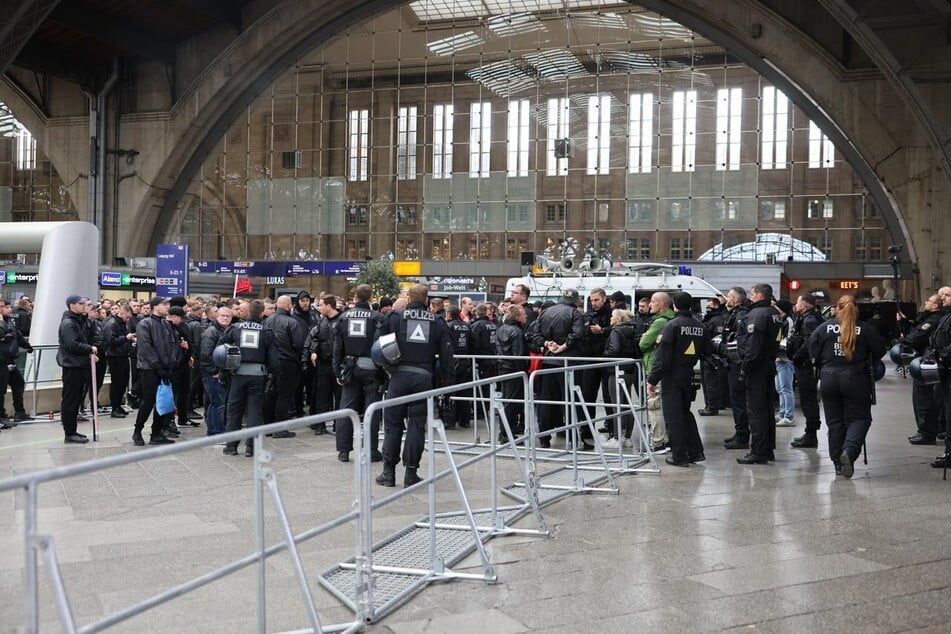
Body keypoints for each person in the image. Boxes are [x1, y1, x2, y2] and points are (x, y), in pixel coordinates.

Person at [376, 284, 454, 487]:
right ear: (427, 301)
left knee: (392, 424)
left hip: (398, 376)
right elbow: (447, 353)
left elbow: (379, 345)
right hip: (424, 378)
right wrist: (444, 379)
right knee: (417, 425)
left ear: (409, 299)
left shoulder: (394, 317)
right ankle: (411, 473)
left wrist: (387, 371)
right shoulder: (437, 321)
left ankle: (388, 473)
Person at [807, 295, 886, 477]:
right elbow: (879, 351)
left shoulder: (824, 327)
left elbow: (812, 348)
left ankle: (837, 464)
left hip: (828, 378)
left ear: (837, 308)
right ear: (856, 308)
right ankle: (849, 452)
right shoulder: (865, 329)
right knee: (860, 418)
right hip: (855, 378)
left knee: (834, 422)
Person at [646, 292, 706, 466]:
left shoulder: (671, 326)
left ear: (675, 306)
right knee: (686, 414)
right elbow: (707, 349)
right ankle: (695, 452)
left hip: (672, 375)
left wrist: (652, 379)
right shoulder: (699, 326)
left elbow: (662, 356)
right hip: (688, 374)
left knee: (673, 417)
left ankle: (679, 456)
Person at [527, 288, 585, 449]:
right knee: (571, 401)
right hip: (569, 362)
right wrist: (563, 346)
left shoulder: (546, 313)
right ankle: (573, 439)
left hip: (548, 362)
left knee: (546, 401)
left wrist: (547, 344)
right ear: (575, 300)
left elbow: (534, 334)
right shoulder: (574, 314)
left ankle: (544, 437)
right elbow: (578, 334)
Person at [333, 285, 385, 463]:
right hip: (371, 367)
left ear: (355, 297)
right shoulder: (377, 317)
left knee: (347, 408)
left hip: (349, 367)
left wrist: (337, 370)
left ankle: (343, 450)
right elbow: (381, 345)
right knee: (372, 409)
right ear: (370, 298)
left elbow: (337, 347)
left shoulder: (343, 317)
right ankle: (370, 450)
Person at [735, 284, 783, 465]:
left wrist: (744, 369)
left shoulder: (757, 314)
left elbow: (752, 347)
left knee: (755, 412)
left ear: (760, 295)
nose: (751, 296)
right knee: (767, 410)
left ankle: (757, 452)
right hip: (769, 364)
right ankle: (767, 448)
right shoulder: (774, 313)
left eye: (752, 293)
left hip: (757, 368)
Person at [221, 299, 271, 456]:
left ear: (249, 311)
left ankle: (231, 446)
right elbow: (273, 356)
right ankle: (251, 447)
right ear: (262, 312)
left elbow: (222, 349)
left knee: (234, 410)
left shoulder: (235, 328)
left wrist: (223, 370)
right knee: (254, 412)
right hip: (258, 375)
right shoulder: (266, 331)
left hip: (238, 374)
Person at [133, 296, 181, 446]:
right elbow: (146, 348)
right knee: (148, 401)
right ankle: (137, 431)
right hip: (149, 369)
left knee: (163, 401)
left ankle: (157, 432)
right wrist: (158, 366)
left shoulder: (166, 324)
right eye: (164, 304)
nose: (167, 306)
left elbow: (173, 345)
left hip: (166, 368)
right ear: (154, 306)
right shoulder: (145, 324)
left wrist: (171, 364)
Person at [900, 293, 944, 444]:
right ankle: (932, 430)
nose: (926, 302)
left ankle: (926, 432)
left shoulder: (934, 319)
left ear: (935, 306)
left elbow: (917, 337)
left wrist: (903, 341)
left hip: (928, 363)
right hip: (927, 361)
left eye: (929, 301)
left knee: (924, 399)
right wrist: (905, 323)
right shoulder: (929, 317)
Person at [262, 295, 303, 439]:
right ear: (287, 305)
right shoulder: (292, 322)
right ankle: (280, 428)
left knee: (270, 394)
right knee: (284, 395)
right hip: (288, 362)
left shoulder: (267, 321)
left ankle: (267, 427)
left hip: (270, 362)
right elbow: (298, 344)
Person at [639, 292, 675, 453]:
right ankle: (665, 440)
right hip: (669, 370)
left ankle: (659, 442)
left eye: (652, 302)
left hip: (655, 368)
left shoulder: (659, 322)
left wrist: (644, 336)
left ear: (661, 305)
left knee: (655, 406)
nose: (650, 305)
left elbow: (644, 343)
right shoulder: (672, 320)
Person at [57, 294, 95, 443]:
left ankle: (72, 430)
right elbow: (72, 344)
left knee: (75, 399)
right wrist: (90, 349)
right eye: (81, 304)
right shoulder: (68, 323)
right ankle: (69, 432)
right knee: (70, 400)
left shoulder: (77, 321)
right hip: (72, 365)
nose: (84, 306)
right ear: (72, 305)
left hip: (78, 364)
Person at [788, 294, 824, 448]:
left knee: (808, 399)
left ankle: (811, 434)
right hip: (804, 364)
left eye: (797, 302)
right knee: (807, 398)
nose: (796, 305)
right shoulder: (807, 318)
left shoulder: (809, 320)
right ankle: (810, 432)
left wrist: (797, 355)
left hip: (806, 365)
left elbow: (809, 341)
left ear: (803, 305)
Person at [602, 308, 637, 449]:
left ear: (617, 319)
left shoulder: (616, 331)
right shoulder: (632, 331)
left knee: (616, 404)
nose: (610, 319)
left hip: (616, 370)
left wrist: (605, 355)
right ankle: (627, 437)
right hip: (630, 370)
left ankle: (617, 438)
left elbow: (614, 349)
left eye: (612, 317)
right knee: (627, 403)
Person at [306, 295, 341, 435]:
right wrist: (313, 350)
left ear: (328, 305)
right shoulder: (322, 321)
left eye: (321, 305)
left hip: (337, 364)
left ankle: (339, 425)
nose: (319, 308)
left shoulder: (342, 320)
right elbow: (316, 337)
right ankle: (320, 425)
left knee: (339, 396)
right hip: (323, 364)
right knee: (321, 396)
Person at [721, 287, 751, 450]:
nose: (727, 299)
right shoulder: (736, 314)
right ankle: (740, 432)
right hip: (734, 363)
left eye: (730, 297)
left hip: (736, 363)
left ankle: (742, 436)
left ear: (737, 300)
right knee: (736, 400)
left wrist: (722, 349)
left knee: (738, 401)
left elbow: (736, 342)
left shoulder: (740, 315)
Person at [494, 304, 529, 440]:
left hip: (503, 368)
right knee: (512, 402)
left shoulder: (501, 329)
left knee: (506, 400)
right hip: (514, 370)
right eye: (524, 314)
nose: (526, 316)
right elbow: (519, 354)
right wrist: (523, 372)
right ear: (518, 317)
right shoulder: (517, 332)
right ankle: (506, 433)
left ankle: (506, 430)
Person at [199, 304, 232, 436]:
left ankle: (215, 430)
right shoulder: (211, 332)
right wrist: (214, 372)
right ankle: (216, 432)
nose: (225, 318)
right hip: (212, 373)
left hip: (221, 372)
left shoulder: (226, 330)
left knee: (217, 402)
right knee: (218, 403)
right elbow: (205, 354)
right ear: (216, 316)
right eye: (223, 316)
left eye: (228, 316)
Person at [928, 287, 951, 468]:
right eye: (942, 295)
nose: (943, 298)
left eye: (947, 295)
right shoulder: (945, 317)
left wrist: (944, 356)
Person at [99, 304, 135, 418]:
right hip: (114, 356)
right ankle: (115, 407)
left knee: (123, 382)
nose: (128, 319)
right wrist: (126, 338)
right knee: (117, 383)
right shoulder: (112, 324)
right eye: (127, 317)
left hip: (123, 355)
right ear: (122, 313)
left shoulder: (124, 324)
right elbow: (111, 340)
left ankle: (119, 405)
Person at [443, 305, 473, 430]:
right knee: (464, 391)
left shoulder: (448, 326)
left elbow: (446, 344)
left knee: (449, 391)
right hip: (465, 361)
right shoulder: (466, 326)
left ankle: (450, 420)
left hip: (452, 361)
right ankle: (465, 420)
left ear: (449, 314)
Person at [698, 296, 728, 416]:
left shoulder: (718, 319)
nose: (707, 307)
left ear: (716, 305)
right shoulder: (709, 318)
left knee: (711, 382)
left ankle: (712, 406)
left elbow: (718, 338)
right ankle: (709, 405)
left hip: (712, 356)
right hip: (705, 354)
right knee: (706, 382)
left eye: (710, 305)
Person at [292, 290, 319, 417]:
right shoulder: (294, 316)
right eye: (302, 301)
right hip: (299, 353)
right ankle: (298, 409)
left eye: (307, 300)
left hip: (312, 352)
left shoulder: (314, 314)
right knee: (298, 384)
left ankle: (312, 406)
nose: (305, 303)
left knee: (313, 383)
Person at [774, 299, 796, 427]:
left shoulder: (788, 321)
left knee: (786, 388)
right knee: (780, 388)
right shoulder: (781, 320)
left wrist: (781, 354)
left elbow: (788, 340)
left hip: (784, 359)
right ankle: (783, 413)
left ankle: (788, 416)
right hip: (779, 358)